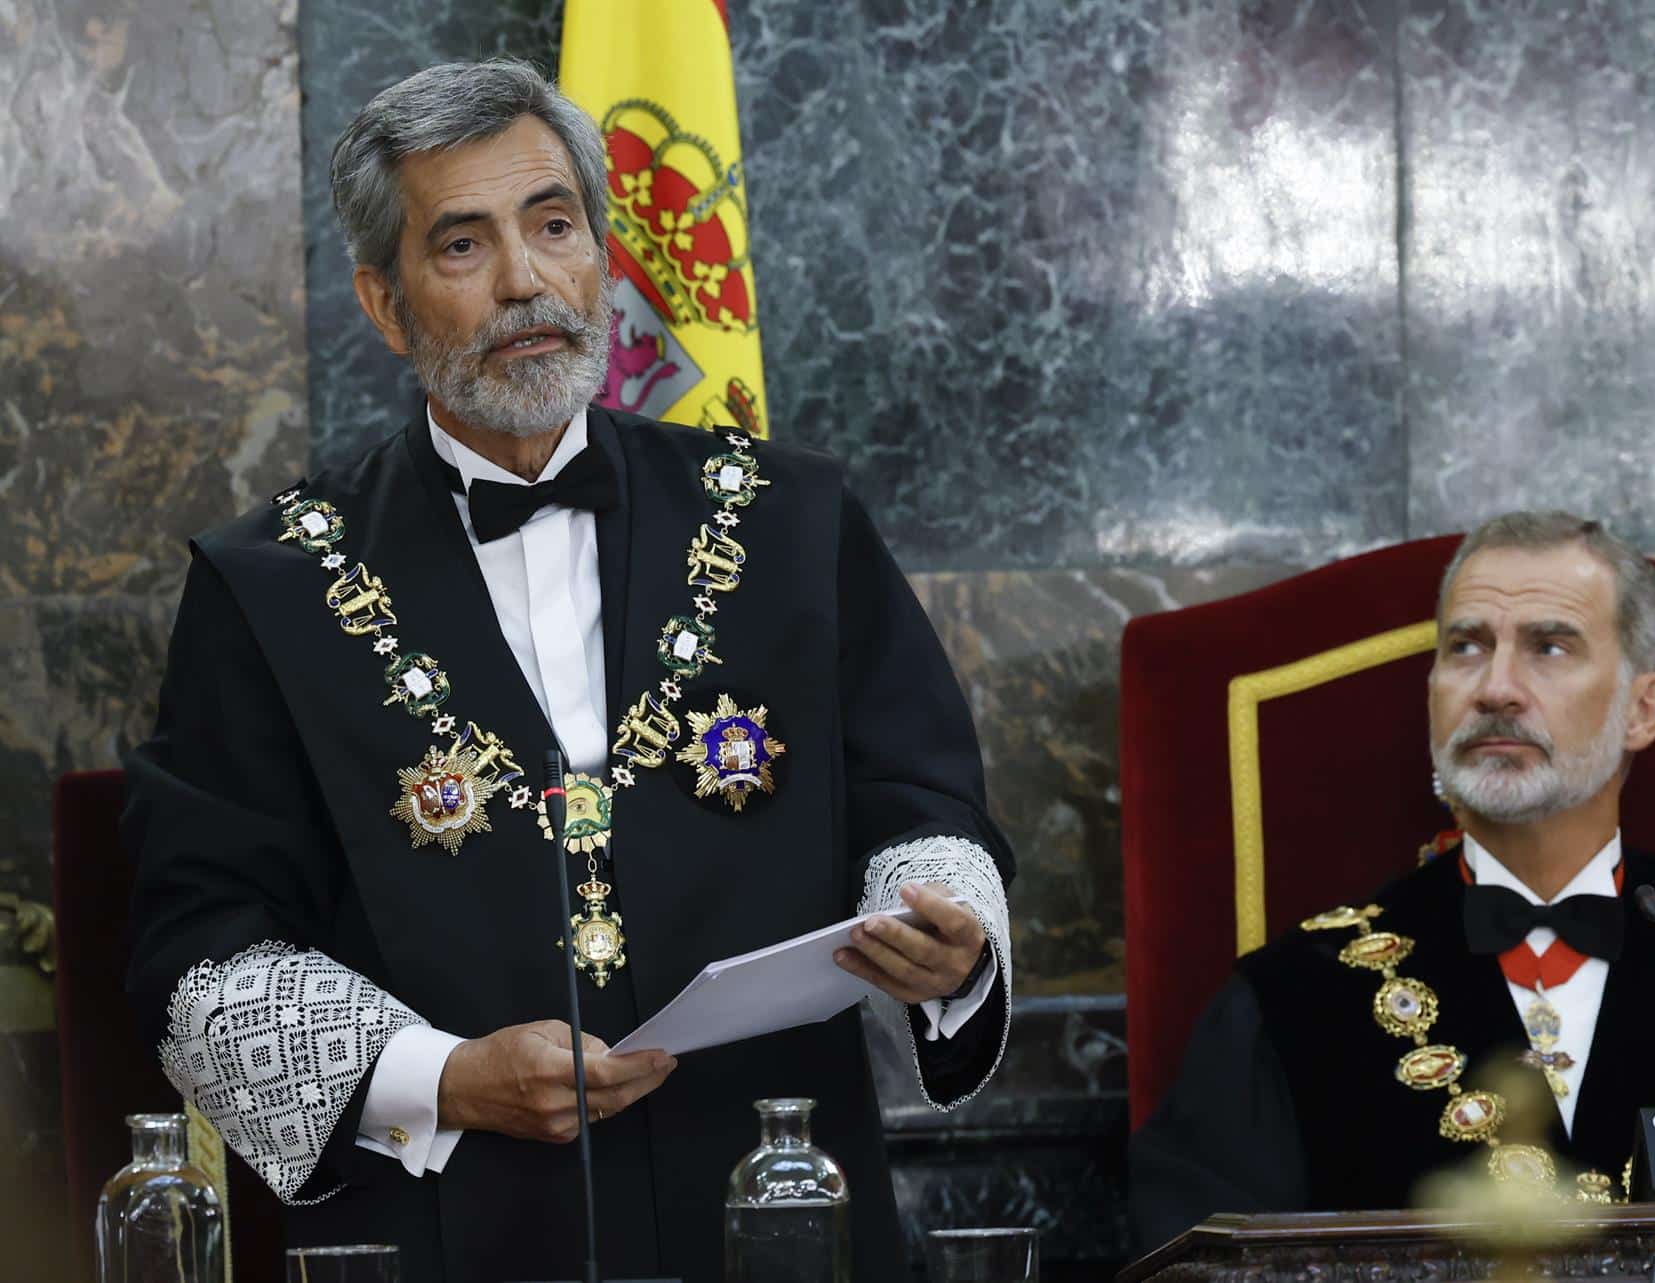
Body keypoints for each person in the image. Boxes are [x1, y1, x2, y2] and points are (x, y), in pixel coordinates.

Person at [123, 59, 1013, 1283]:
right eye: (463, 246)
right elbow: (202, 941)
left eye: (554, 227)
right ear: (385, 305)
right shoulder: (265, 585)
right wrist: (443, 1078)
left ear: (602, 253)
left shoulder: (791, 518)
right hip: (447, 1229)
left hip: (786, 1197)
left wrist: (950, 940)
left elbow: (927, 803)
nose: (526, 280)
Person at [1130, 511, 1655, 1246]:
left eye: (1549, 646)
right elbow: (1193, 1253)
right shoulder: (1295, 1000)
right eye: (1466, 647)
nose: (1497, 688)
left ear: (1643, 708)